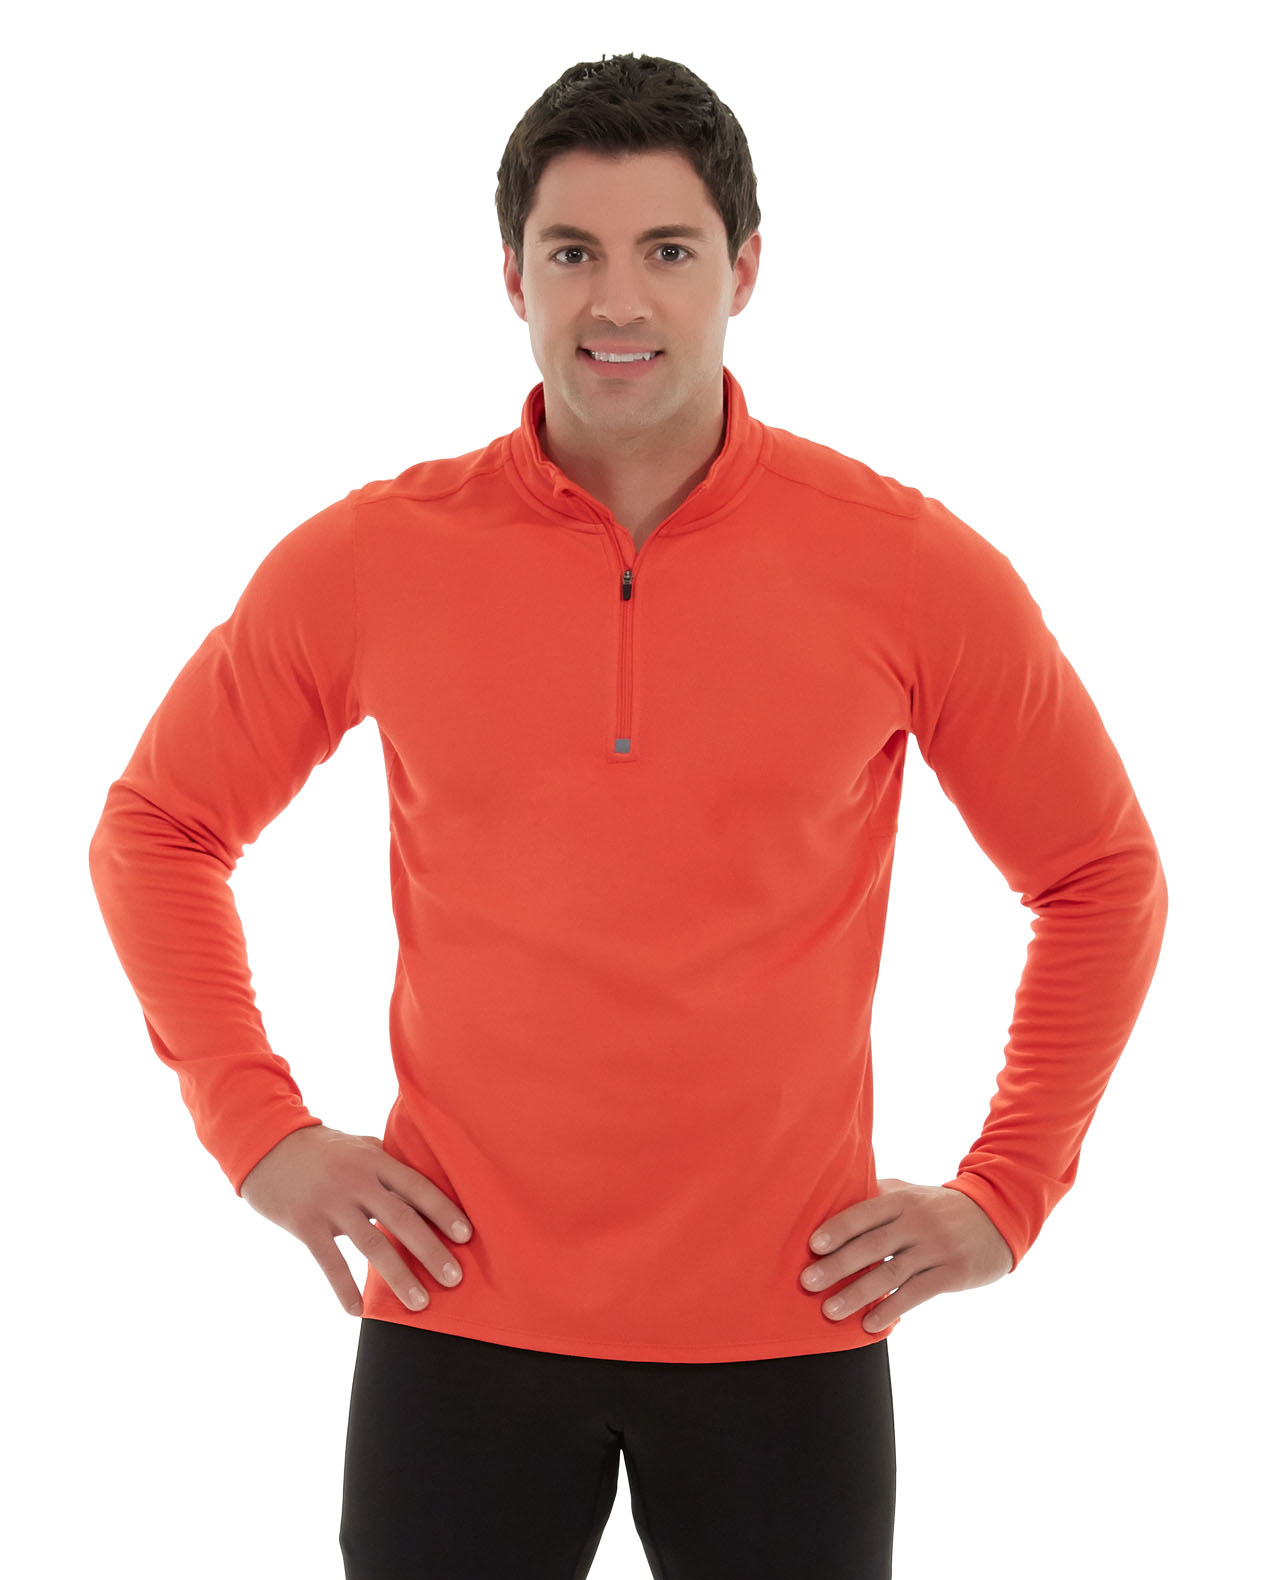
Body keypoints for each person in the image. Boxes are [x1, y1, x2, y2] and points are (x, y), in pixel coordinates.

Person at [87, 51, 1168, 1580]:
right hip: (457, 1315)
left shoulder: (906, 568)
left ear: (744, 269)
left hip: (788, 1329)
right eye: (570, 252)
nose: (616, 302)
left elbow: (1099, 875)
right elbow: (157, 830)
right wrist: (258, 1131)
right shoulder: (373, 559)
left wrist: (1006, 1192)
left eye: (666, 250)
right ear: (510, 275)